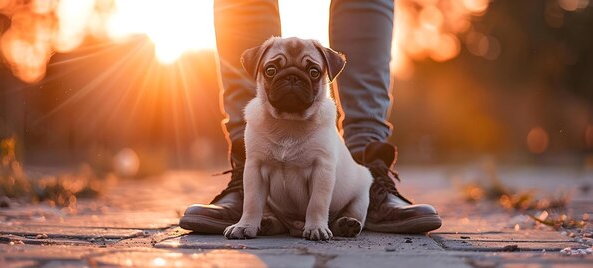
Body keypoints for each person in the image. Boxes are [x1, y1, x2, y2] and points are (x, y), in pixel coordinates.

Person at [179, 0, 442, 234]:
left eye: (312, 72)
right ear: (256, 69)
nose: (292, 79)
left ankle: (369, 165)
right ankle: (252, 198)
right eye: (273, 70)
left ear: (329, 72)